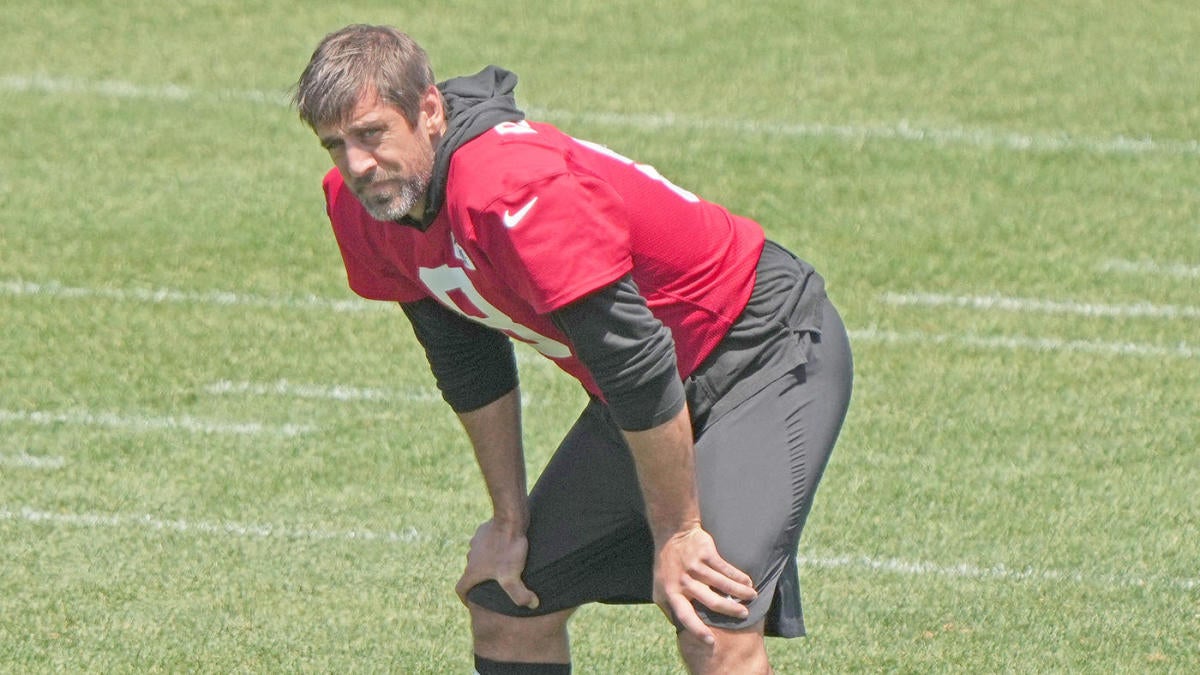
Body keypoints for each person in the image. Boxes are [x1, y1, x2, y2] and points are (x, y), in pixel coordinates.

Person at [293, 24, 852, 675]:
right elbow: (463, 355)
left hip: (762, 351)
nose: (356, 164)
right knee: (506, 602)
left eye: (371, 134)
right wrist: (509, 518)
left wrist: (677, 530)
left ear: (429, 112)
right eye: (336, 145)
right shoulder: (364, 208)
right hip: (642, 389)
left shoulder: (510, 190)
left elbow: (638, 363)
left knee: (709, 615)